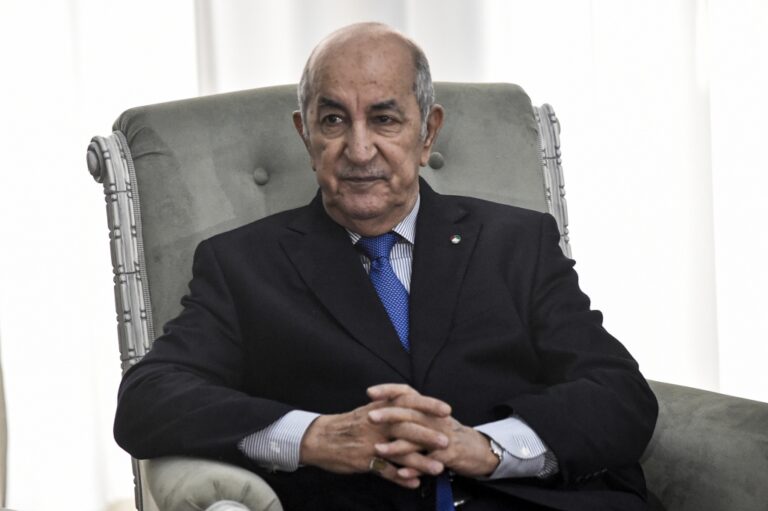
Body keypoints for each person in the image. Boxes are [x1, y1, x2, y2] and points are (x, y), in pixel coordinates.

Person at [114, 22, 658, 511]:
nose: (359, 149)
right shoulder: (242, 265)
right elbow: (148, 398)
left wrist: (486, 447)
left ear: (427, 133)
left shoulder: (516, 241)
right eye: (333, 120)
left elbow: (619, 393)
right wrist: (314, 437)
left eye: (384, 119)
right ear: (306, 136)